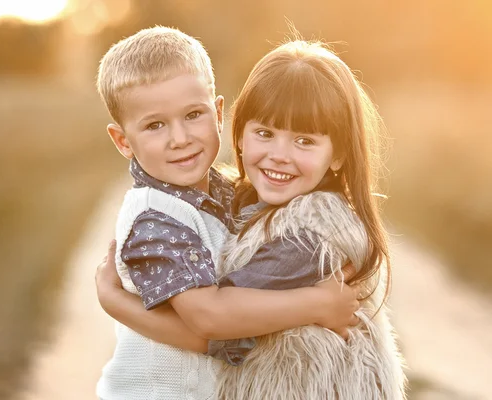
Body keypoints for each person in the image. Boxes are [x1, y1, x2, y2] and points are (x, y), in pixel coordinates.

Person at [97, 36, 407, 399]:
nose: (179, 138)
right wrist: (318, 304)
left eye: (193, 115)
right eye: (155, 125)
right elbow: (213, 321)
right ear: (123, 141)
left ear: (219, 114)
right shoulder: (155, 219)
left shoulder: (293, 226)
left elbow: (222, 320)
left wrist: (116, 303)